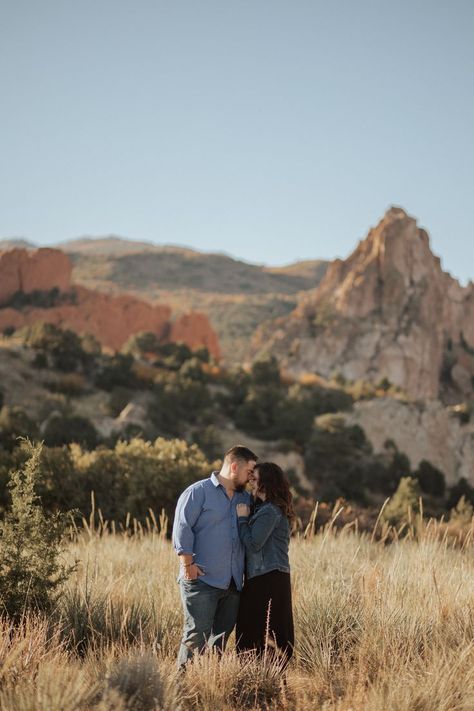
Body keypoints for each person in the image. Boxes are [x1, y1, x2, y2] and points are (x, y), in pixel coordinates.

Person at [172, 445, 258, 668]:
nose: (251, 477)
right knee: (195, 637)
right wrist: (187, 564)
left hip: (232, 584)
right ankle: (181, 689)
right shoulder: (197, 492)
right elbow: (182, 528)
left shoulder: (247, 499)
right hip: (201, 579)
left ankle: (209, 685)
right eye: (249, 471)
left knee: (219, 642)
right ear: (234, 466)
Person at [235, 462, 295, 666]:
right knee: (260, 629)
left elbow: (253, 544)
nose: (251, 480)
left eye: (255, 477)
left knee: (263, 629)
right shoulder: (263, 509)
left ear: (266, 482)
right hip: (264, 577)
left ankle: (266, 681)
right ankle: (260, 678)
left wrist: (242, 520)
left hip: (268, 578)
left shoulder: (269, 511)